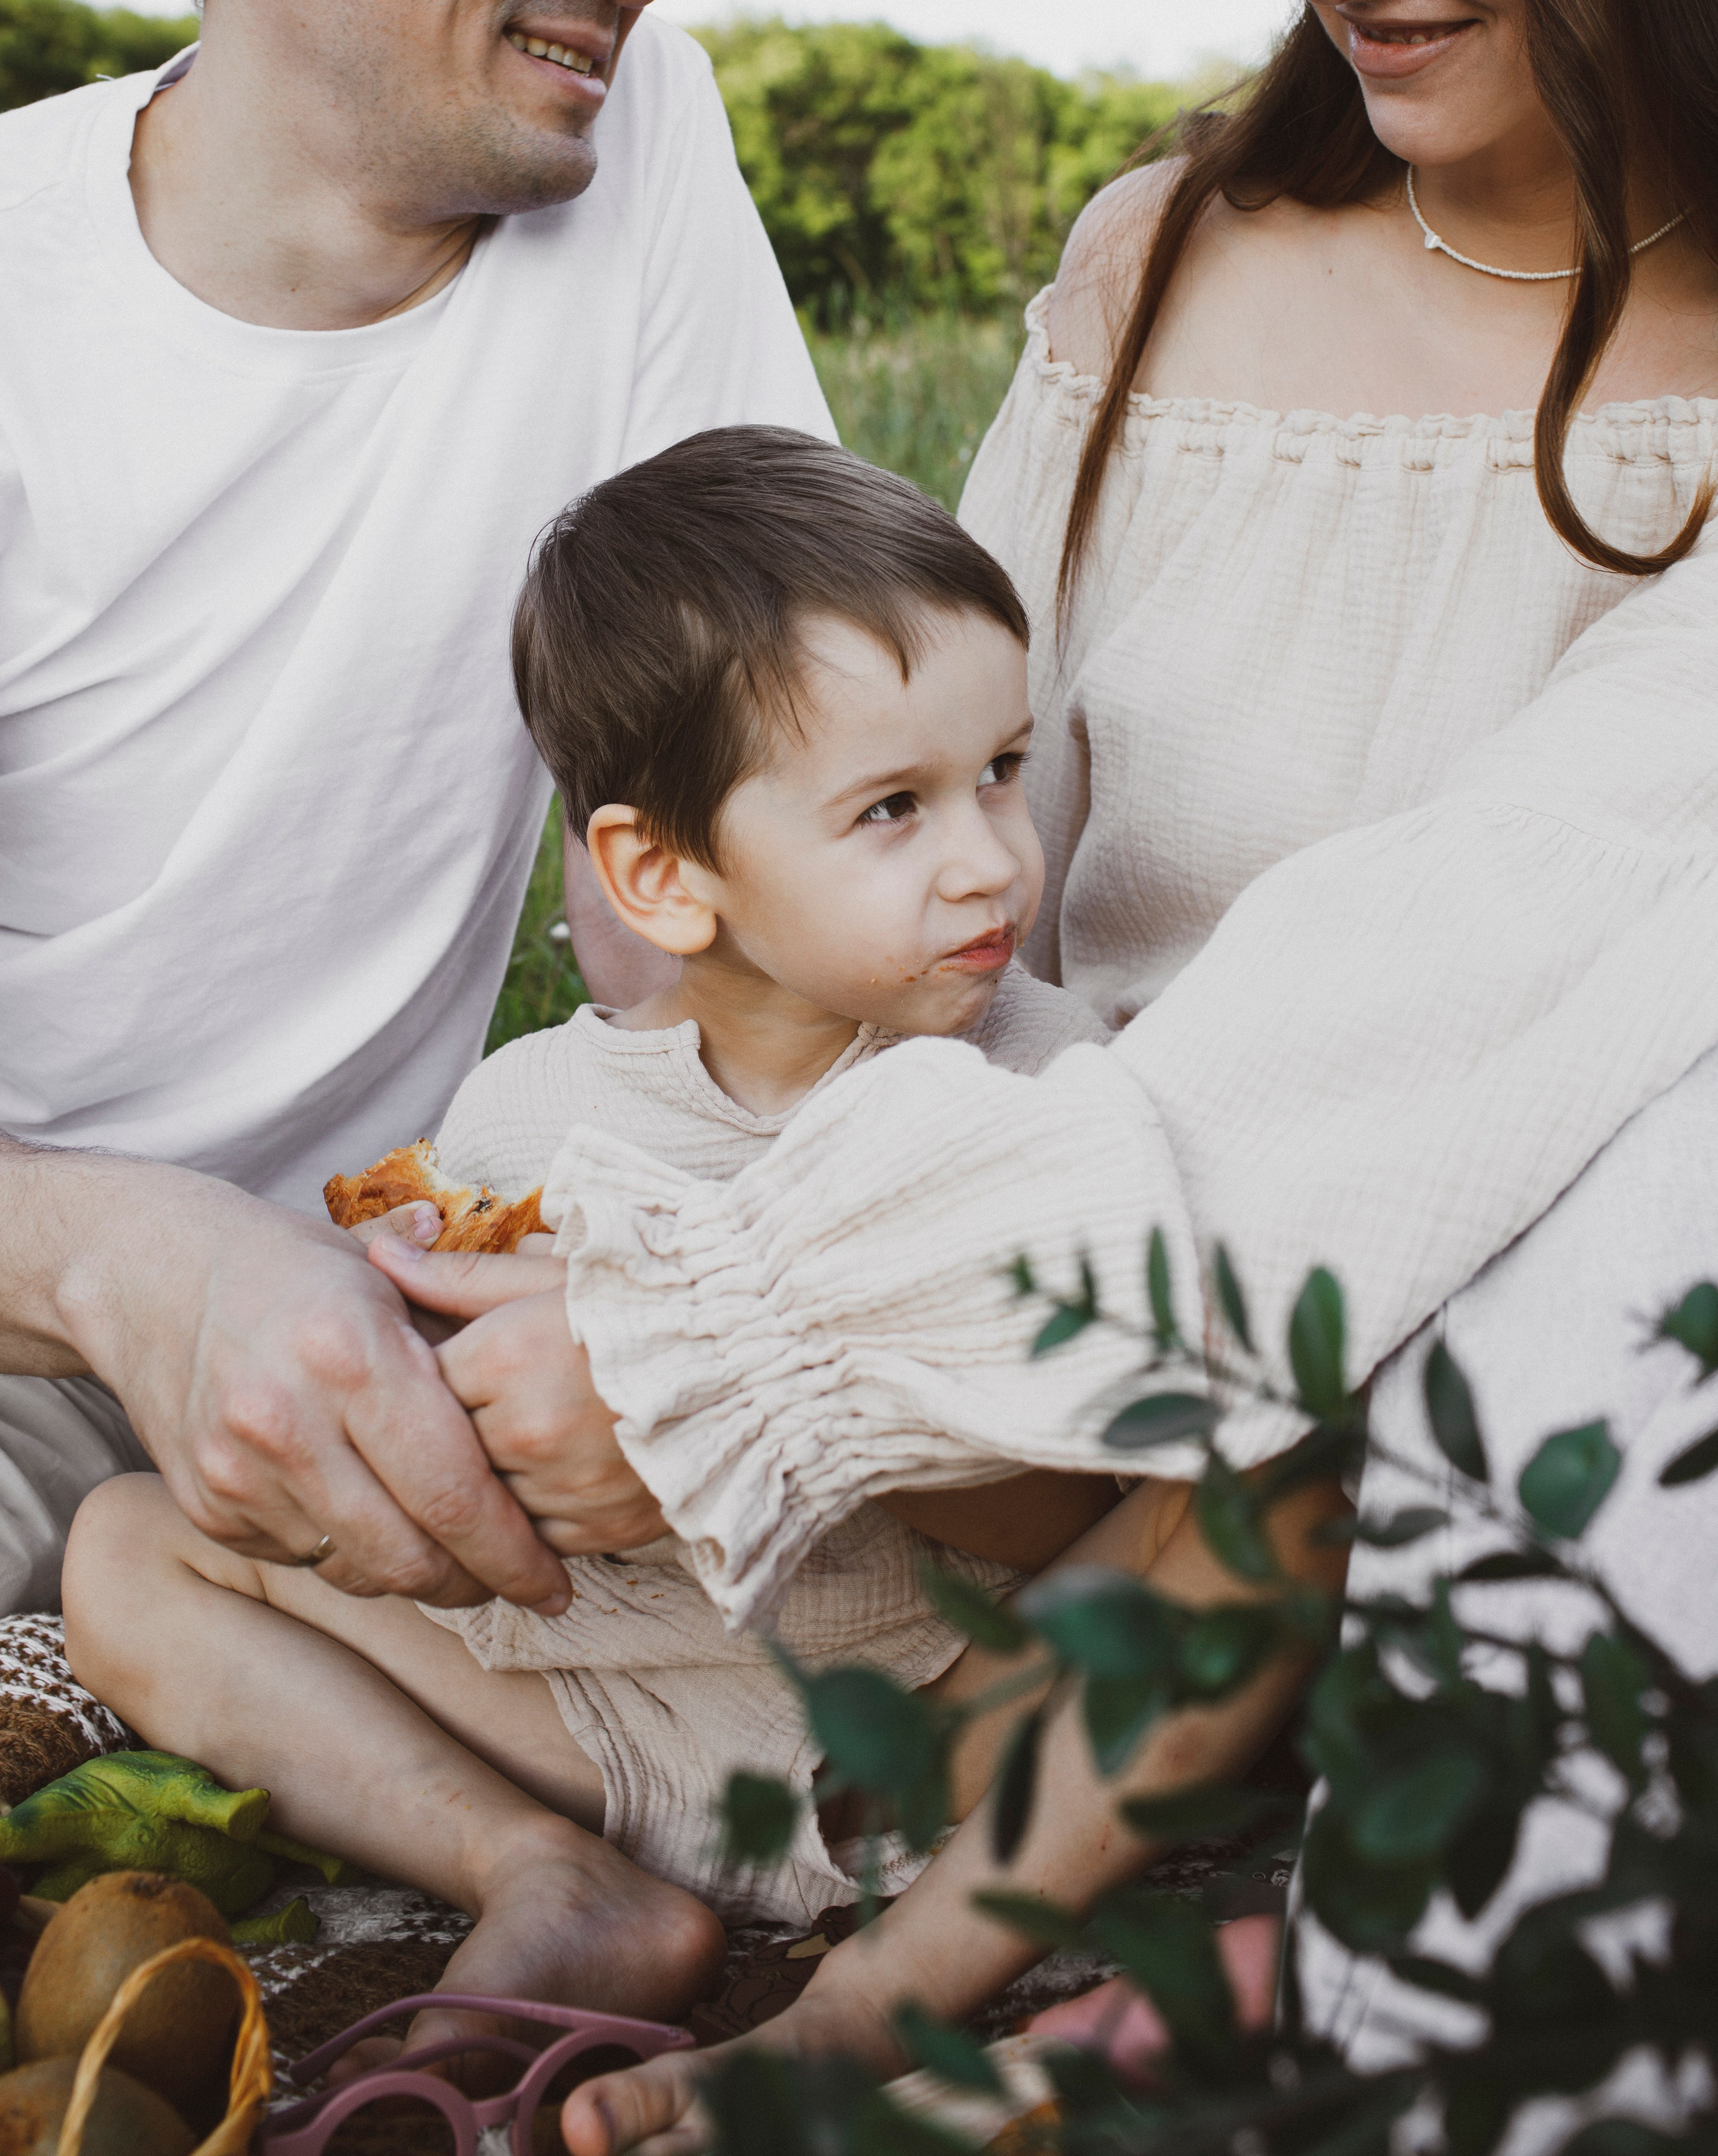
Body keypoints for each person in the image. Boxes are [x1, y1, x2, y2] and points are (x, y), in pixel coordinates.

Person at [333, 2, 1718, 2146]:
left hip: (1382, 1361)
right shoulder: (1162, 254)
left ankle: (964, 2010)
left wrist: (756, 1334)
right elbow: (954, 802)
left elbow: (1503, 944)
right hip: (1021, 1317)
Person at [64, 427, 1177, 2044]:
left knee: (1219, 1547)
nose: (990, 857)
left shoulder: (1034, 1084)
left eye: (1001, 770)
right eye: (892, 807)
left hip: (929, 1725)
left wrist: (742, 1386)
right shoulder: (538, 1114)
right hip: (608, 1703)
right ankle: (542, 1867)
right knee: (127, 1541)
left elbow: (1087, 1493)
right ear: (661, 876)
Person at [0, 0, 832, 1642]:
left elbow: (737, 825)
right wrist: (130, 1264)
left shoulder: (629, 122)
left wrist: (686, 1269)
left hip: (412, 1308)